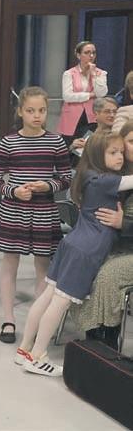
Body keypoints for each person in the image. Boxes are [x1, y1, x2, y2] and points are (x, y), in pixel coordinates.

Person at [15, 131, 133, 376]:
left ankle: (24, 349)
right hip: (86, 251)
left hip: (72, 243)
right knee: (59, 305)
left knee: (47, 297)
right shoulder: (105, 180)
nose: (120, 157)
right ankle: (37, 356)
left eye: (121, 152)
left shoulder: (87, 174)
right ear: (97, 155)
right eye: (113, 152)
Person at [0, 87, 72, 344]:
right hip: (13, 210)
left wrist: (48, 186)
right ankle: (8, 319)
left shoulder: (56, 142)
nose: (37, 116)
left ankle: (36, 320)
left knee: (43, 266)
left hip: (44, 210)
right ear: (20, 112)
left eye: (42, 110)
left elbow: (66, 177)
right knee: (9, 262)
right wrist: (13, 191)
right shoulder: (9, 142)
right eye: (30, 110)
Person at [76, 119, 133, 349]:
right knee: (86, 263)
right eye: (131, 141)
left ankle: (106, 342)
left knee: (108, 275)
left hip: (128, 249)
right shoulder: (110, 173)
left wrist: (124, 224)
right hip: (112, 245)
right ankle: (92, 337)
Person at [56, 40, 108, 145]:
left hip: (91, 116)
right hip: (71, 116)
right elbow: (67, 96)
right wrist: (90, 95)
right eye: (87, 53)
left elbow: (101, 93)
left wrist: (94, 75)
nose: (91, 56)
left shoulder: (100, 73)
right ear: (78, 55)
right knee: (70, 145)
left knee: (87, 145)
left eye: (93, 53)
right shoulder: (69, 74)